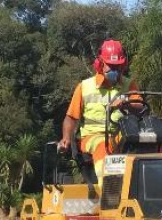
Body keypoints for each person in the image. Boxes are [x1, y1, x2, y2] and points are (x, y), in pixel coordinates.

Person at [59, 39, 139, 184]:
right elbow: (71, 118)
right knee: (103, 146)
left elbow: (139, 105)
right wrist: (66, 138)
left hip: (121, 134)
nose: (114, 69)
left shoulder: (129, 84)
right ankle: (109, 190)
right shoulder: (85, 87)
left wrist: (126, 102)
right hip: (93, 137)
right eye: (110, 65)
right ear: (100, 63)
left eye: (117, 66)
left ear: (123, 65)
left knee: (148, 142)